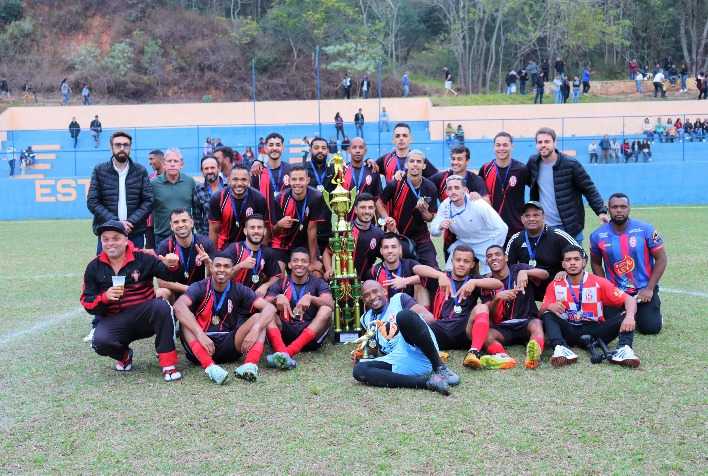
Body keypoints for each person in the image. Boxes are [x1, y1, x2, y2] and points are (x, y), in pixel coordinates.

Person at [80, 221, 184, 382]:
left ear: (126, 239)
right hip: (116, 321)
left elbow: (173, 277)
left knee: (161, 305)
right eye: (105, 239)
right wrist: (105, 297)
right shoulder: (94, 267)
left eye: (115, 238)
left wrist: (172, 266)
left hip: (144, 317)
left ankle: (168, 365)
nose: (110, 243)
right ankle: (125, 355)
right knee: (99, 342)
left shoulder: (143, 257)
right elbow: (87, 302)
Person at [173, 251, 288, 383]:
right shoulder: (199, 287)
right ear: (211, 268)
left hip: (229, 344)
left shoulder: (239, 289)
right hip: (201, 346)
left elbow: (270, 308)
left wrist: (255, 329)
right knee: (185, 321)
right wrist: (200, 334)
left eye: (226, 266)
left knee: (259, 318)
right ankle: (210, 367)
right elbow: (178, 306)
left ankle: (250, 365)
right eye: (218, 266)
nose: (221, 270)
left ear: (232, 269)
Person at [540, 245, 641, 368]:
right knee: (548, 314)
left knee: (626, 315)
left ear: (584, 262)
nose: (572, 263)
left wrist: (630, 316)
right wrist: (550, 306)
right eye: (568, 260)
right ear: (563, 264)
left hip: (596, 330)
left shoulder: (599, 282)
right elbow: (540, 313)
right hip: (569, 330)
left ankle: (623, 349)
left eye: (576, 259)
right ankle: (560, 348)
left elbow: (629, 299)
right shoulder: (555, 284)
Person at [351, 281, 459, 395]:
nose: (372, 297)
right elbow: (373, 348)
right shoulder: (366, 319)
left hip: (422, 351)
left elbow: (429, 318)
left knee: (404, 316)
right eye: (367, 295)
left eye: (375, 291)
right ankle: (428, 382)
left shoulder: (399, 299)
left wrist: (398, 328)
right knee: (359, 369)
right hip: (400, 360)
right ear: (364, 300)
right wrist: (363, 353)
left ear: (384, 291)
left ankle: (440, 368)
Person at [589, 193, 666, 335]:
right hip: (616, 291)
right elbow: (596, 263)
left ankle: (651, 310)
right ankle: (631, 312)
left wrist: (650, 288)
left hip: (642, 290)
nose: (619, 210)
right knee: (610, 327)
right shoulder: (597, 235)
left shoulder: (646, 230)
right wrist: (607, 288)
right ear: (608, 210)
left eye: (623, 207)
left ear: (629, 209)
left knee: (651, 329)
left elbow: (661, 259)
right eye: (615, 207)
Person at [527, 127, 608, 245]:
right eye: (540, 142)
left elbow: (589, 189)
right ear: (536, 145)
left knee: (574, 263)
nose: (543, 145)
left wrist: (601, 211)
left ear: (555, 143)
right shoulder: (533, 162)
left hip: (570, 228)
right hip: (545, 227)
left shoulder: (571, 164)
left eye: (547, 141)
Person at [426, 246, 502, 362]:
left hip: (464, 328)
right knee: (415, 322)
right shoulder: (442, 277)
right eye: (458, 260)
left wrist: (474, 282)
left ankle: (473, 352)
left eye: (466, 261)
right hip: (440, 326)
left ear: (472, 264)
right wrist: (439, 275)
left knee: (482, 307)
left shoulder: (474, 279)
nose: (461, 264)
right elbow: (417, 268)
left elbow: (498, 284)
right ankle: (434, 351)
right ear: (452, 261)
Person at [478, 245, 549, 369]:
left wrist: (526, 272)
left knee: (537, 324)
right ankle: (502, 358)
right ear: (486, 262)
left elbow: (545, 274)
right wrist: (497, 298)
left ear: (506, 258)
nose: (494, 258)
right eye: (489, 256)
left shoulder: (519, 269)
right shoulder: (486, 282)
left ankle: (533, 357)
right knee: (486, 334)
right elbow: (489, 313)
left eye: (497, 254)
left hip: (527, 321)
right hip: (503, 326)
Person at [87, 131, 152, 253]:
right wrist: (116, 222)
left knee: (135, 271)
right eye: (118, 145)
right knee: (105, 271)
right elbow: (92, 202)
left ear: (130, 147)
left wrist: (130, 223)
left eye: (125, 145)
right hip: (108, 233)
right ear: (111, 147)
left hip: (134, 232)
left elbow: (148, 201)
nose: (122, 148)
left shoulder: (140, 171)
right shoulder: (100, 170)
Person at [265, 247, 334, 361]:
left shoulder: (318, 283)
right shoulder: (280, 283)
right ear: (290, 264)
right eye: (295, 260)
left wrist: (310, 298)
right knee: (268, 312)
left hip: (311, 332)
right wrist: (277, 298)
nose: (299, 264)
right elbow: (264, 305)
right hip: (284, 334)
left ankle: (288, 352)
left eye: (304, 261)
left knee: (326, 310)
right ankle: (282, 350)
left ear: (309, 265)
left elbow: (330, 304)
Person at [430, 175, 507, 273]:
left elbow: (502, 228)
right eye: (450, 188)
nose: (453, 191)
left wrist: (493, 250)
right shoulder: (445, 205)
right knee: (449, 273)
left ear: (465, 190)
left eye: (457, 188)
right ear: (446, 192)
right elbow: (433, 230)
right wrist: (439, 227)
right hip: (463, 242)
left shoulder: (477, 203)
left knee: (493, 273)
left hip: (486, 241)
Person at [376, 150, 440, 268]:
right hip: (398, 235)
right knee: (400, 271)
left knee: (434, 270)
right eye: (412, 161)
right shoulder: (396, 183)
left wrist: (424, 211)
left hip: (421, 237)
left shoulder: (430, 187)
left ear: (424, 165)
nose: (415, 164)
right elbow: (379, 202)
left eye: (419, 161)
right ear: (406, 165)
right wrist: (388, 219)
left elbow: (430, 218)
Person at [506, 201, 578, 301]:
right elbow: (508, 266)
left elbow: (581, 255)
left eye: (536, 215)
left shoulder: (557, 235)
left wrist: (566, 271)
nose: (531, 219)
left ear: (543, 217)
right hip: (528, 284)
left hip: (556, 282)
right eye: (527, 216)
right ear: (522, 219)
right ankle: (521, 313)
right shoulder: (516, 239)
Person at [270, 164, 327, 273]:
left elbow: (312, 230)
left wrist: (313, 260)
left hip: (305, 246)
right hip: (283, 246)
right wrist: (279, 225)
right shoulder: (280, 199)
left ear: (308, 180)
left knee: (316, 274)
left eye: (301, 179)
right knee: (277, 276)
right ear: (289, 181)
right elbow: (275, 232)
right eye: (294, 179)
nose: (297, 183)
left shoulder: (316, 197)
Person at [155, 208, 215, 304]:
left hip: (200, 293)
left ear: (191, 223)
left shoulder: (205, 243)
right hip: (176, 293)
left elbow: (213, 279)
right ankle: (170, 318)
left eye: (184, 221)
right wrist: (190, 289)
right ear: (171, 226)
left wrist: (208, 264)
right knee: (161, 293)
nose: (180, 225)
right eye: (176, 222)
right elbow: (161, 282)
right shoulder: (165, 246)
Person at [479, 132, 530, 242]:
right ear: (493, 147)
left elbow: (536, 190)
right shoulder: (485, 169)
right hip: (492, 229)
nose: (501, 148)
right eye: (498, 145)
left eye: (505, 145)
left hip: (516, 229)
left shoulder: (522, 169)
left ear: (512, 147)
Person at [323, 193, 384, 280]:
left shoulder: (379, 234)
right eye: (362, 207)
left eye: (370, 208)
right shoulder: (343, 230)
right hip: (343, 283)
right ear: (355, 210)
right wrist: (329, 270)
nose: (367, 211)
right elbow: (327, 252)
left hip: (366, 284)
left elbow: (388, 257)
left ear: (374, 210)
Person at [209, 163, 267, 252]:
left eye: (243, 179)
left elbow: (264, 229)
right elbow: (214, 231)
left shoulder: (258, 198)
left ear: (249, 181)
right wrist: (214, 256)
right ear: (229, 180)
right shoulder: (218, 198)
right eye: (235, 179)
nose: (239, 183)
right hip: (224, 248)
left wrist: (262, 255)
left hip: (250, 249)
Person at [223, 213, 282, 296]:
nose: (256, 231)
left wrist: (265, 286)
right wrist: (240, 266)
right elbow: (222, 276)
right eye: (252, 228)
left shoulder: (268, 252)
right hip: (232, 297)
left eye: (259, 227)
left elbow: (276, 276)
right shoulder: (233, 248)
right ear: (245, 231)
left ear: (264, 231)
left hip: (255, 299)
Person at [150, 147, 196, 247]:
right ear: (164, 164)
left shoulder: (190, 182)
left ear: (182, 164)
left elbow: (196, 208)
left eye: (176, 161)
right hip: (162, 237)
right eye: (169, 161)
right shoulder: (153, 184)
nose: (172, 164)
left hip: (186, 236)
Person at [366, 122, 438, 182]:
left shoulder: (418, 158)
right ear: (393, 140)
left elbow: (436, 177)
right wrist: (368, 160)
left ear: (411, 139)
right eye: (397, 136)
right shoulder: (385, 159)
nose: (401, 138)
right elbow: (367, 167)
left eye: (404, 136)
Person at [250, 132, 292, 223]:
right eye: (271, 145)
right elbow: (252, 200)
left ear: (283, 148)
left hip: (287, 224)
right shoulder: (257, 172)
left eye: (278, 145)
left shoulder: (291, 170)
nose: (274, 148)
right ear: (265, 149)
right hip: (265, 224)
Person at [304, 137, 337, 254]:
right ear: (310, 150)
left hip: (326, 229)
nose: (320, 151)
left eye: (323, 148)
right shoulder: (303, 169)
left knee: (323, 267)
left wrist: (369, 160)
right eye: (316, 148)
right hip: (306, 229)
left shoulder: (334, 170)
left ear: (328, 150)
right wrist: (258, 162)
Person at [338, 137, 383, 219]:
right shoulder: (341, 171)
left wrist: (379, 226)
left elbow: (377, 200)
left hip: (368, 223)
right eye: (354, 147)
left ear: (365, 151)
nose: (357, 150)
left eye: (361, 147)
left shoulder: (373, 170)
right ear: (349, 150)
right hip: (346, 223)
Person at [192, 156, 224, 237]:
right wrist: (204, 238)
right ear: (201, 171)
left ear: (219, 168)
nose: (209, 171)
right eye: (206, 168)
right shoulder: (198, 190)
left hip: (229, 237)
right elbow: (197, 220)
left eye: (212, 168)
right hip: (208, 237)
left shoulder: (229, 186)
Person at [145, 150, 164, 249]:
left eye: (152, 159)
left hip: (165, 223)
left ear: (161, 159)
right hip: (151, 223)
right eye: (149, 159)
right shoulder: (151, 177)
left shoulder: (172, 177)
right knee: (157, 253)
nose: (149, 162)